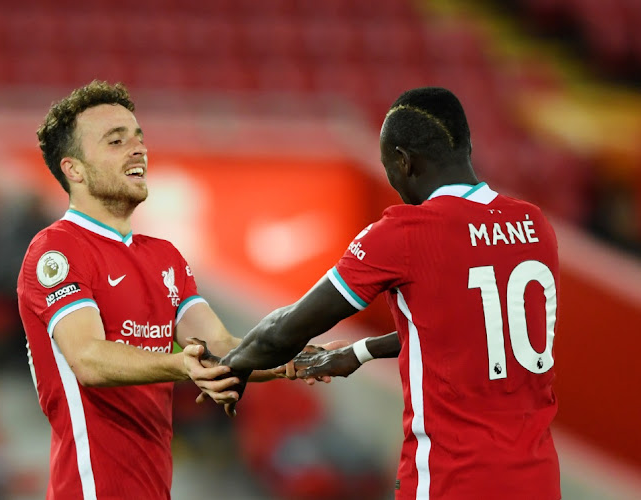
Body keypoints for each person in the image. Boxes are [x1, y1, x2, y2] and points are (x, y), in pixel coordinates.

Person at [217, 87, 561, 500]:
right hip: (537, 479)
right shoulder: (534, 225)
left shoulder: (406, 235)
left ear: (404, 161)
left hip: (453, 480)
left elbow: (280, 334)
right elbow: (468, 327)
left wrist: (229, 368)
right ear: (465, 146)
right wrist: (361, 351)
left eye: (388, 168)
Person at [17, 80, 287, 499]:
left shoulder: (164, 256)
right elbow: (87, 359)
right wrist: (183, 365)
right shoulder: (56, 249)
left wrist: (305, 361)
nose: (138, 149)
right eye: (116, 140)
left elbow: (223, 346)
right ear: (75, 169)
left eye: (139, 138)